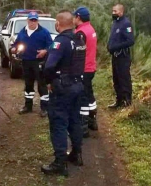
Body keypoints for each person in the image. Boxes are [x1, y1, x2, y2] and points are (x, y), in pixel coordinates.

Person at [41, 10, 86, 176]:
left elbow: (49, 66)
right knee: (75, 120)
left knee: (58, 123)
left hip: (63, 89)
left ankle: (60, 162)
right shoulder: (80, 39)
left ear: (58, 24)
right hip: (78, 86)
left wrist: (49, 82)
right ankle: (77, 154)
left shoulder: (60, 41)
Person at [11, 12, 53, 117]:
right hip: (26, 61)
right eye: (31, 20)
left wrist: (45, 51)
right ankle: (28, 106)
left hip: (39, 62)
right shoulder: (23, 31)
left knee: (42, 85)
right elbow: (16, 43)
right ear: (27, 20)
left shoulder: (44, 32)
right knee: (28, 84)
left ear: (37, 21)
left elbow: (51, 46)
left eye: (35, 20)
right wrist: (14, 48)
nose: (33, 22)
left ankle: (44, 108)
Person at [73, 7, 98, 138]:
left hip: (83, 68)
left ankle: (83, 127)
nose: (73, 19)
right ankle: (92, 121)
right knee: (89, 94)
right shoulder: (91, 29)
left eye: (74, 17)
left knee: (83, 97)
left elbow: (77, 53)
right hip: (91, 67)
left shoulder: (81, 33)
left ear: (78, 17)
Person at [107, 4, 135, 108]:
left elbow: (130, 41)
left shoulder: (126, 24)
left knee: (124, 79)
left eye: (115, 11)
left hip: (123, 56)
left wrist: (116, 47)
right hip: (115, 56)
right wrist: (109, 46)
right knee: (116, 79)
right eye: (113, 11)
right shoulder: (115, 23)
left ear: (121, 12)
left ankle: (127, 102)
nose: (113, 13)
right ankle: (119, 101)